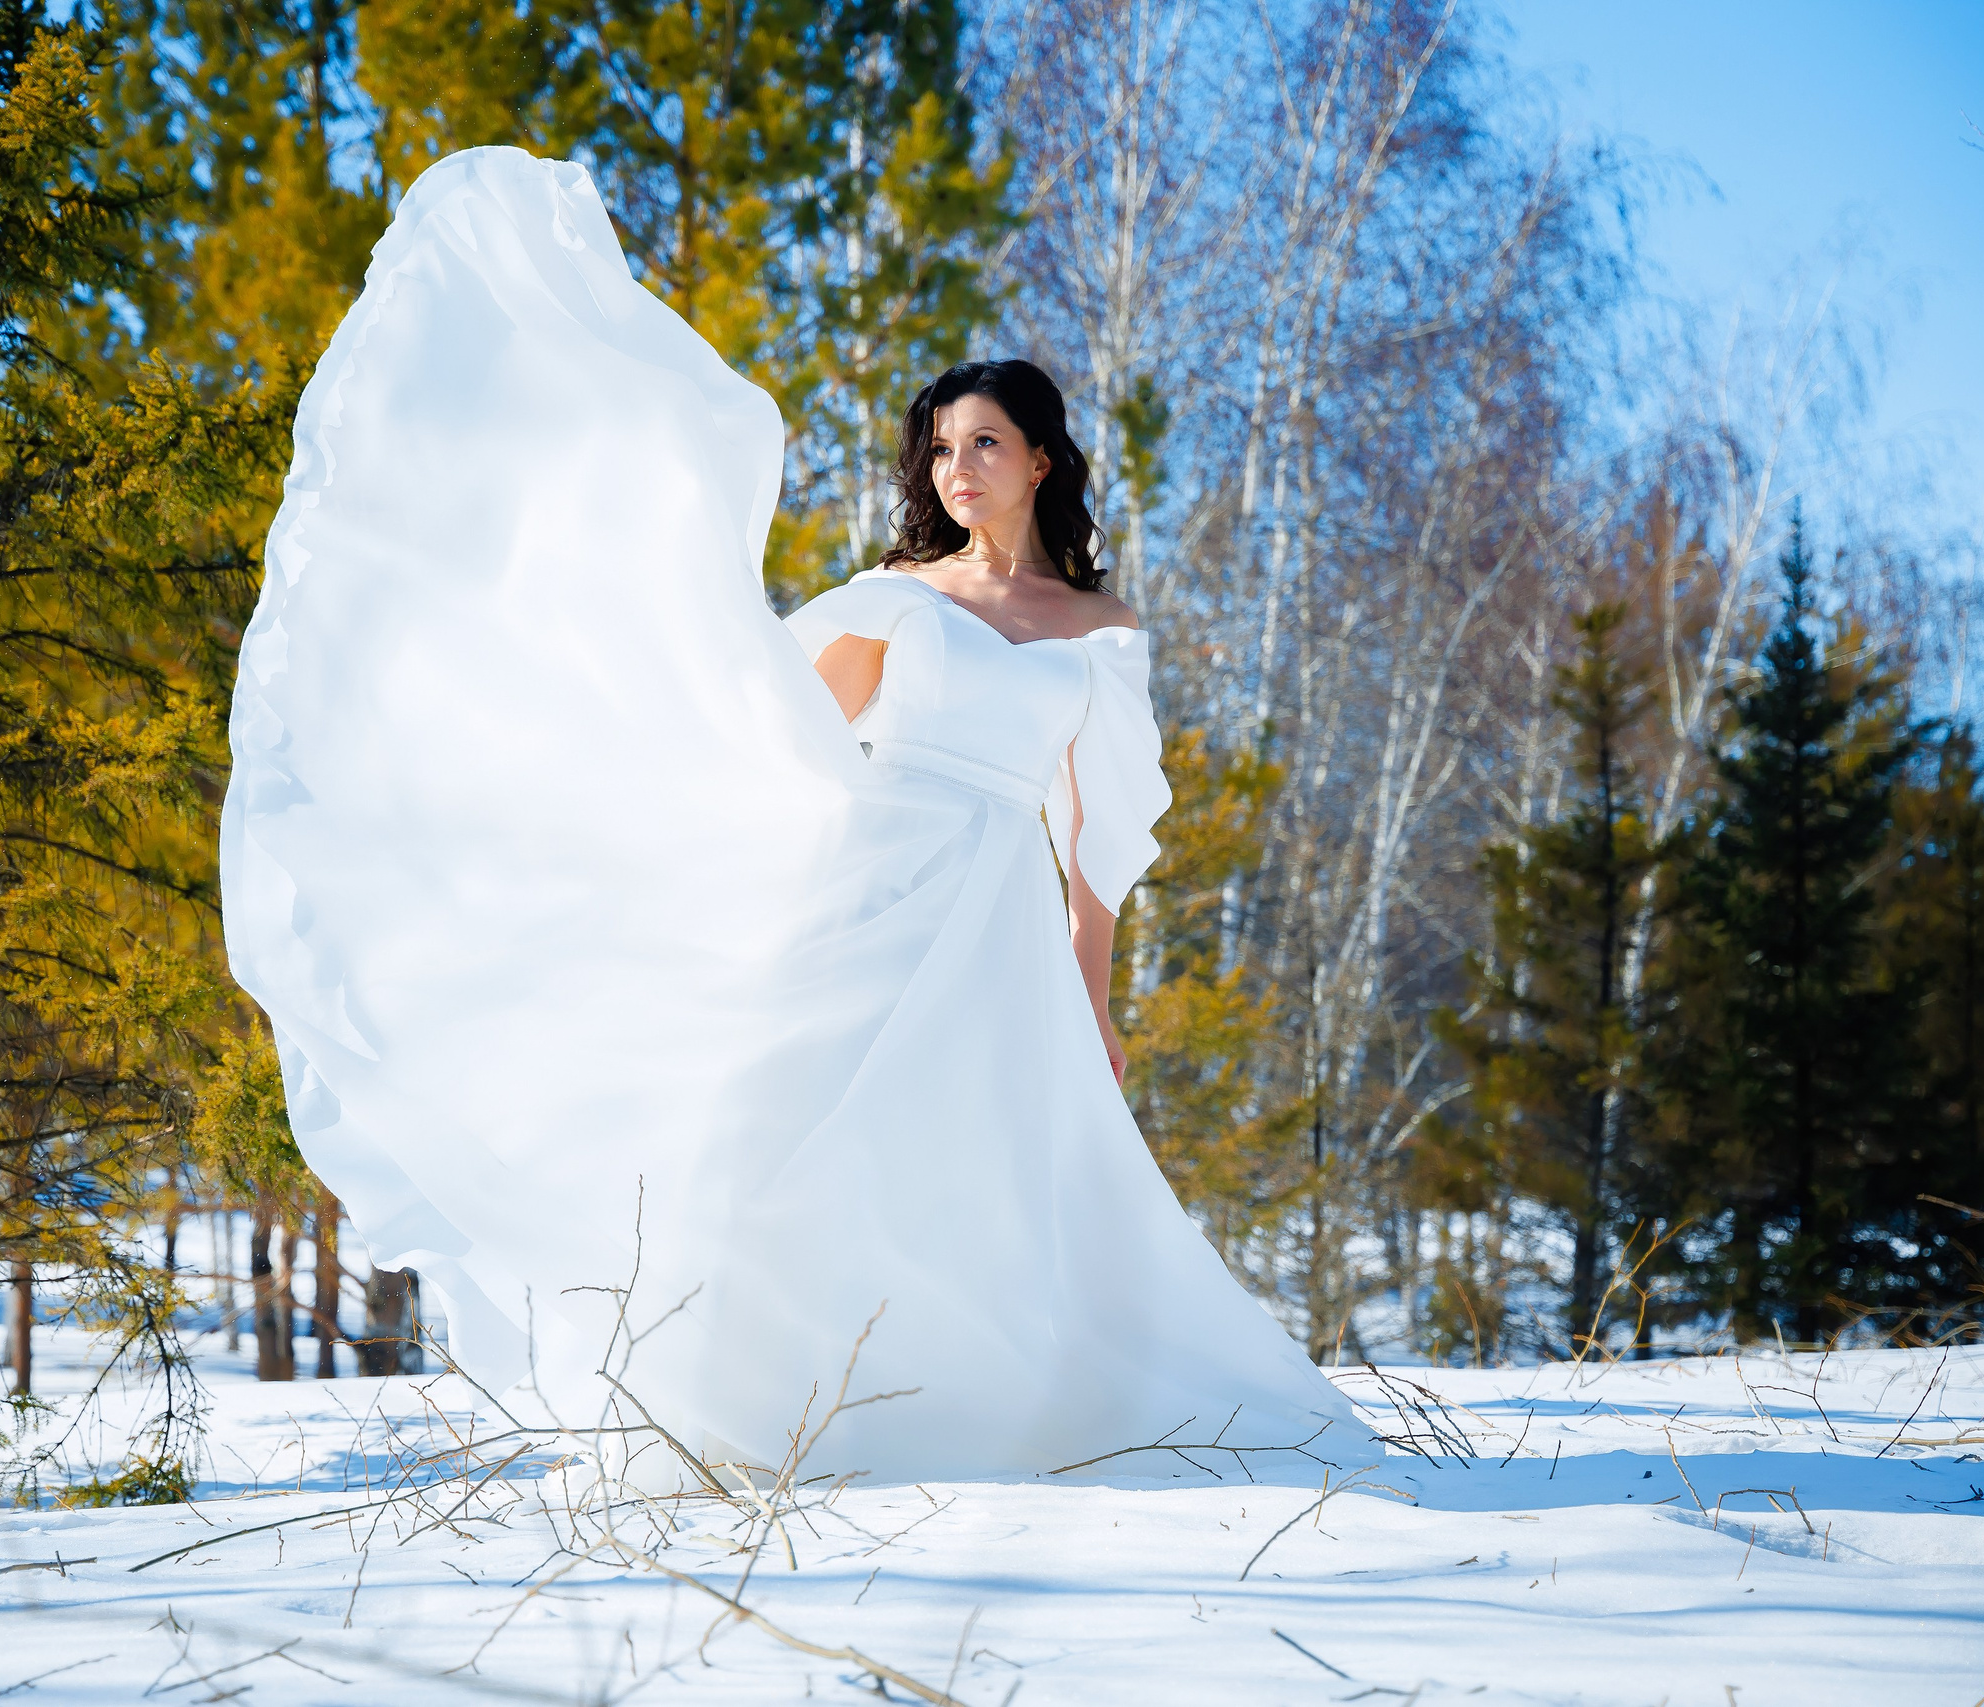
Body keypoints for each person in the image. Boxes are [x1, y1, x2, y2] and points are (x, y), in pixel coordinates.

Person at [222, 146, 1378, 1484]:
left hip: (996, 918)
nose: (958, 467)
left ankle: (982, 1411)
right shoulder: (896, 597)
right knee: (777, 1136)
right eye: (940, 448)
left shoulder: (1102, 635)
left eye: (986, 443)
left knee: (985, 1170)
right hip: (870, 884)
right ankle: (741, 1408)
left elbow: (1097, 852)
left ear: (1044, 462)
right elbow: (772, 731)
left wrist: (1097, 1002)